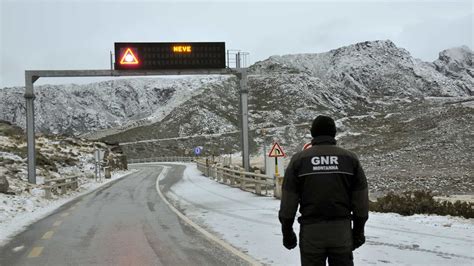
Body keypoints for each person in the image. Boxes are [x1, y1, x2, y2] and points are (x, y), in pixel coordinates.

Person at [278, 115, 369, 266]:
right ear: (334, 133)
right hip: (341, 232)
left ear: (313, 134)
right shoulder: (350, 159)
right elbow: (361, 201)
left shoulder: (299, 160)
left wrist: (287, 233)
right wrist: (358, 232)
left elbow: (288, 202)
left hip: (311, 234)